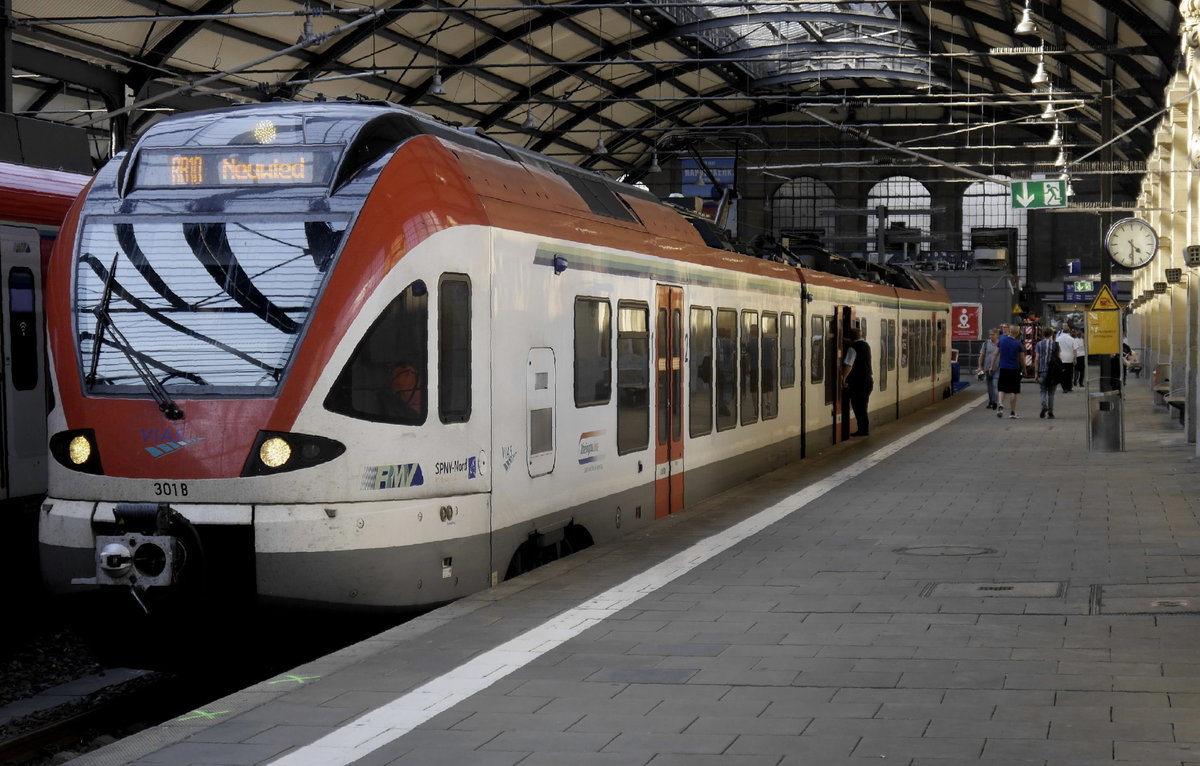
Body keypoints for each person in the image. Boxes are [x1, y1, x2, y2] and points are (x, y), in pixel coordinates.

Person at [840, 327, 873, 436]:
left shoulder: (853, 348)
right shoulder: (865, 345)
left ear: (851, 338)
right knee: (863, 406)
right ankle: (864, 429)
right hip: (868, 381)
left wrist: (843, 377)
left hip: (859, 382)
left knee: (858, 406)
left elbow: (849, 364)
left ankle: (863, 430)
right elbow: (855, 341)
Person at [996, 324, 1024, 419]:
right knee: (1013, 391)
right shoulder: (1018, 343)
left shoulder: (1002, 340)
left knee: (1002, 388)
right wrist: (1024, 369)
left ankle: (1000, 404)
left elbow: (996, 353)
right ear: (1017, 333)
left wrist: (992, 366)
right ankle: (1012, 412)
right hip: (1014, 369)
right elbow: (1022, 358)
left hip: (1003, 368)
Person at [1033, 327, 1058, 419]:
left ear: (1043, 334)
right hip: (1053, 372)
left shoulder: (1039, 344)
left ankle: (1044, 406)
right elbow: (1058, 359)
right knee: (1051, 393)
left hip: (1043, 371)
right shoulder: (1055, 344)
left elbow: (1037, 359)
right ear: (1052, 334)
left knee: (1043, 390)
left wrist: (1036, 373)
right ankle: (1050, 413)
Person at [976, 328, 1000, 410]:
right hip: (987, 368)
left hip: (997, 368)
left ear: (997, 335)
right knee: (989, 386)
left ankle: (994, 402)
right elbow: (982, 356)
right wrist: (980, 366)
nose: (991, 336)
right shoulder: (985, 344)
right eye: (990, 334)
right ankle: (991, 401)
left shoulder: (1000, 344)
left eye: (993, 334)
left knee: (994, 385)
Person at [1055, 324, 1076, 393]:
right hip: (1070, 358)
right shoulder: (1072, 339)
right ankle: (1069, 387)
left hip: (1061, 358)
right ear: (1069, 331)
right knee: (1070, 374)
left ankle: (1064, 388)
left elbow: (1056, 349)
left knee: (1063, 374)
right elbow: (1074, 350)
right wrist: (1075, 359)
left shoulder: (1058, 339)